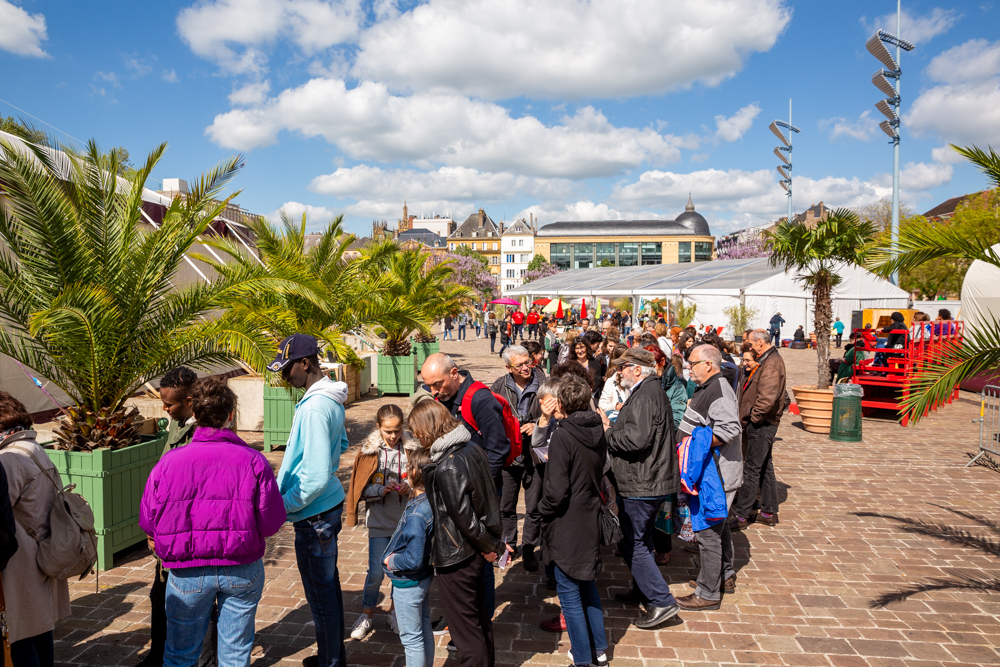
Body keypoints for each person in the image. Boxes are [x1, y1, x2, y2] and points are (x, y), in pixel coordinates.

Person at [140, 377, 286, 666]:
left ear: (194, 414)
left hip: (187, 572)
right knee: (234, 655)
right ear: (231, 415)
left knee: (180, 655)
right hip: (242, 569)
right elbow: (270, 523)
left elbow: (148, 519)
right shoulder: (253, 461)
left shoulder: (169, 462)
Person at [271, 334, 352, 667]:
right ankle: (332, 657)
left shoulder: (316, 406)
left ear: (306, 363)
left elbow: (316, 476)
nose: (285, 377)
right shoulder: (326, 398)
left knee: (321, 599)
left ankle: (331, 662)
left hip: (314, 515)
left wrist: (284, 504)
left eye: (288, 369)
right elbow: (343, 443)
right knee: (328, 591)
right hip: (324, 509)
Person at [409, 400, 507, 667]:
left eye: (417, 430)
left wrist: (489, 546)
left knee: (465, 632)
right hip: (471, 552)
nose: (416, 436)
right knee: (478, 622)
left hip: (458, 556)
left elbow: (466, 519)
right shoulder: (471, 447)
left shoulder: (448, 466)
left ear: (430, 428)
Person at [419, 353, 511, 616]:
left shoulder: (480, 400)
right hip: (457, 488)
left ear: (454, 373)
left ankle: (481, 619)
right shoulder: (444, 398)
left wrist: (482, 489)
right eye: (429, 386)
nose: (434, 391)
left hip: (481, 492)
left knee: (482, 556)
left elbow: (498, 449)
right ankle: (463, 613)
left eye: (437, 384)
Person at [143, 367, 218, 667]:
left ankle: (203, 661)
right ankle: (157, 655)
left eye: (169, 404)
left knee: (196, 605)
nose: (164, 408)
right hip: (168, 533)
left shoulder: (203, 431)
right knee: (159, 596)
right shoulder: (177, 423)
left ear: (189, 400)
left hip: (187, 536)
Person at [604, 348, 680, 629]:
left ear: (637, 369)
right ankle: (644, 589)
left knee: (632, 542)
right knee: (641, 539)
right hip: (645, 479)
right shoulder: (646, 392)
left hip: (642, 482)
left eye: (623, 367)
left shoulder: (646, 394)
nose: (619, 372)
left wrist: (608, 431)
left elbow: (636, 440)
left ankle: (662, 601)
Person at [538, 376, 610, 667]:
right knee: (588, 586)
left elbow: (556, 491)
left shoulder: (564, 435)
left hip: (567, 520)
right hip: (589, 513)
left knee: (569, 595)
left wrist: (541, 511)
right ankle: (600, 650)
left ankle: (583, 659)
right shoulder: (596, 427)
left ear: (564, 404)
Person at [0, 392, 70, 667]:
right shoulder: (34, 448)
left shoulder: (9, 459)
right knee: (40, 627)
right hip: (41, 549)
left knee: (19, 636)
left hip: (20, 560)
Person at [673, 345, 743, 611]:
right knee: (720, 527)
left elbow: (730, 428)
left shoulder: (720, 390)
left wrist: (696, 444)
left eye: (692, 363)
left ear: (709, 365)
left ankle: (708, 593)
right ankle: (724, 577)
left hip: (718, 474)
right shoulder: (708, 386)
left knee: (708, 532)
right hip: (711, 472)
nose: (689, 367)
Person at [345, 404, 419, 639]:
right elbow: (359, 489)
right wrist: (380, 489)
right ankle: (367, 614)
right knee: (375, 572)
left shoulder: (411, 451)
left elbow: (424, 482)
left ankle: (394, 612)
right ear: (378, 427)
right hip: (378, 521)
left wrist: (412, 487)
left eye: (397, 430)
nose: (393, 436)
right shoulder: (369, 452)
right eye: (388, 431)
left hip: (405, 522)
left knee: (400, 572)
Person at [491, 346, 544, 570]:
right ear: (508, 368)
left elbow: (556, 413)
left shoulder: (544, 384)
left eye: (527, 362)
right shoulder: (499, 386)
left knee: (534, 507)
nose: (525, 368)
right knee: (506, 506)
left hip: (535, 455)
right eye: (519, 365)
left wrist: (540, 424)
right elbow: (490, 417)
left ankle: (530, 547)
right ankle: (508, 546)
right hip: (509, 455)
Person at [381, 447, 435, 667]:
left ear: (414, 473)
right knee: (424, 629)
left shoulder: (416, 515)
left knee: (411, 639)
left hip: (408, 582)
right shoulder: (431, 501)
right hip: (423, 578)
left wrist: (391, 560)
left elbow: (412, 559)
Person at [733, 330, 787, 531]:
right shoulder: (767, 359)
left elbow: (767, 398)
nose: (749, 347)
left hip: (762, 423)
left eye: (751, 343)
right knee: (765, 467)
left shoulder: (771, 362)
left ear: (760, 343)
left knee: (752, 469)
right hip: (761, 422)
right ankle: (768, 512)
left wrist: (753, 419)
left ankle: (741, 515)